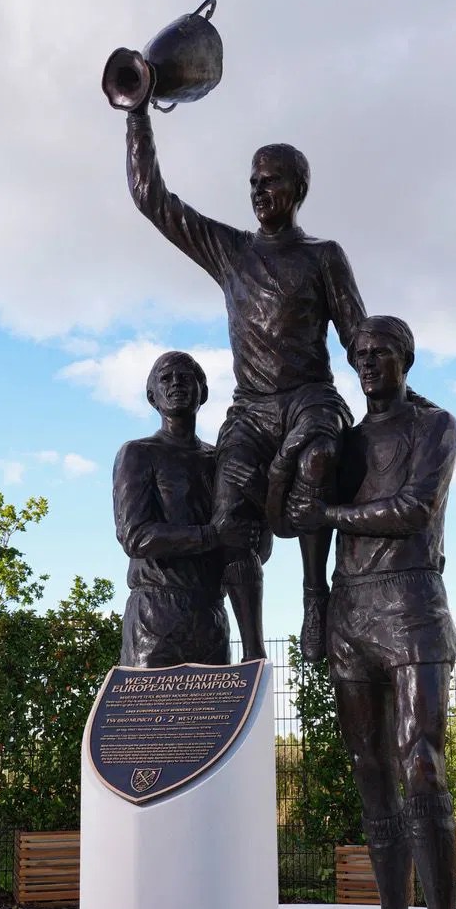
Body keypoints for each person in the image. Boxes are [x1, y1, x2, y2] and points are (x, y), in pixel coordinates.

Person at [123, 103, 366, 662]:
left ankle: (314, 593)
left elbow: (356, 336)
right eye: (253, 182)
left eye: (271, 180)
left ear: (298, 188)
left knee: (318, 456)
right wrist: (138, 114)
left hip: (310, 398)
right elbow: (150, 198)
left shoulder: (324, 257)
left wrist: (397, 395)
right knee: (229, 515)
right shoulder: (231, 251)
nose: (258, 190)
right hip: (251, 410)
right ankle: (253, 652)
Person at [287, 315, 456, 909]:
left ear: (406, 359)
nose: (367, 363)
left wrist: (327, 513)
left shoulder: (434, 426)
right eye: (358, 353)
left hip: (411, 604)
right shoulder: (341, 440)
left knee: (420, 766)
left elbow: (411, 508)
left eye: (380, 353)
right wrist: (312, 610)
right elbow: (298, 523)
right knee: (368, 769)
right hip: (348, 609)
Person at [114, 350, 253, 667]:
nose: (176, 383)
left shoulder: (220, 460)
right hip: (156, 614)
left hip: (210, 615)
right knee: (147, 717)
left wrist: (261, 493)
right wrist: (211, 535)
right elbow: (135, 536)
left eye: (185, 377)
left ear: (202, 391)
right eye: (166, 377)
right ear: (153, 396)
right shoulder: (138, 453)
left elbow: (245, 546)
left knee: (216, 716)